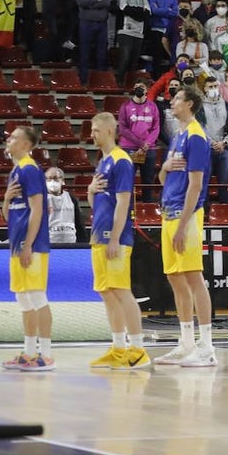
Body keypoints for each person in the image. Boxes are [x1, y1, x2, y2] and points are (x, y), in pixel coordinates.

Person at [154, 86, 216, 367]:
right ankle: (186, 342)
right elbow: (162, 178)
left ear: (189, 104)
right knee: (174, 278)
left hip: (185, 215)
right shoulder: (178, 136)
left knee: (193, 276)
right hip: (168, 212)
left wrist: (183, 225)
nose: (172, 102)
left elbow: (196, 185)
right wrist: (166, 166)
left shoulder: (196, 136)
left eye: (177, 99)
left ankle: (207, 346)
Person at [86, 113, 150, 370]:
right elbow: (99, 204)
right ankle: (118, 347)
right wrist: (90, 191)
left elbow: (123, 203)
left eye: (95, 130)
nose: (92, 134)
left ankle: (138, 349)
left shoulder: (122, 161)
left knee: (121, 291)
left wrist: (114, 238)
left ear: (110, 131)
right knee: (106, 292)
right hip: (98, 234)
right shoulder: (103, 162)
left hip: (116, 238)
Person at [0, 126, 54, 372]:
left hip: (31, 245)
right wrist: (6, 199)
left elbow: (38, 209)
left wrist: (29, 244)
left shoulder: (30, 169)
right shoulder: (16, 171)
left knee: (36, 296)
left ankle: (47, 353)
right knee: (23, 298)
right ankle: (29, 352)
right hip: (17, 242)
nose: (8, 140)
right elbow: (7, 216)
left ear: (25, 144)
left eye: (13, 138)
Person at [118, 77, 160, 202]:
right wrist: (141, 144)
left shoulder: (153, 106)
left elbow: (156, 128)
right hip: (130, 148)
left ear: (146, 90)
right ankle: (128, 208)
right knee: (128, 180)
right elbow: (123, 129)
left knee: (148, 181)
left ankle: (147, 209)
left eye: (141, 87)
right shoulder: (125, 106)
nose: (138, 90)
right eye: (136, 87)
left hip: (149, 149)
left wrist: (147, 143)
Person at [44, 167, 86, 244]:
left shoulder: (71, 198)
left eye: (56, 178)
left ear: (62, 180)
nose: (52, 181)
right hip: (49, 244)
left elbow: (79, 223)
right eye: (49, 179)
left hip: (70, 244)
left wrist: (83, 243)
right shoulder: (41, 200)